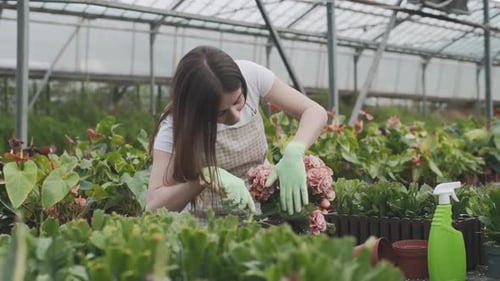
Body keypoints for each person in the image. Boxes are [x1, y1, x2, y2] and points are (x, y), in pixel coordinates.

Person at [146, 45, 327, 218]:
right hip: (207, 226)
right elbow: (153, 206)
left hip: (261, 214)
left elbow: (315, 112)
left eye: (238, 101)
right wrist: (203, 178)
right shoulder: (174, 126)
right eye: (221, 112)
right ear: (196, 111)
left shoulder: (251, 75)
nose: (235, 116)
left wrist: (294, 150)